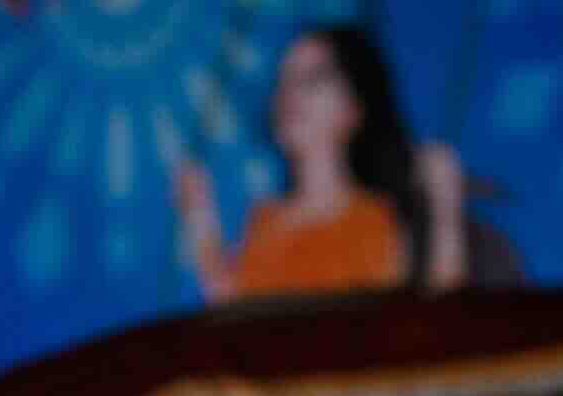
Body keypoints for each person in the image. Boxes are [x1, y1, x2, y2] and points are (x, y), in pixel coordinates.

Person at [174, 23, 468, 304]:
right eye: (283, 81)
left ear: (353, 108)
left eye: (314, 78)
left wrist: (445, 208)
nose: (290, 93)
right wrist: (200, 216)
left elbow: (429, 322)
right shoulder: (263, 221)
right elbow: (236, 313)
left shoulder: (374, 219)